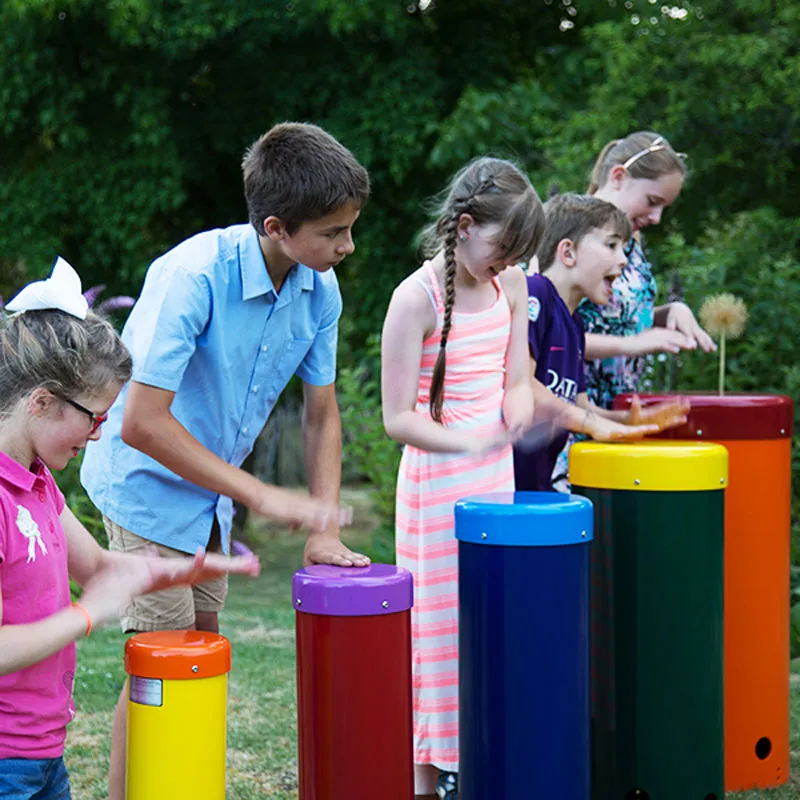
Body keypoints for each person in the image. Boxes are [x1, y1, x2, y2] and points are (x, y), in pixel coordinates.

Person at [79, 122, 370, 799]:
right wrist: (262, 495)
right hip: (143, 483)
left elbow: (323, 413)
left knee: (199, 650)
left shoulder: (318, 292)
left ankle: (178, 784)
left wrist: (322, 528)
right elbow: (144, 424)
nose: (347, 246)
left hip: (207, 495)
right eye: (333, 232)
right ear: (276, 226)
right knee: (165, 656)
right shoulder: (193, 277)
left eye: (349, 228)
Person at [0, 259, 260, 800]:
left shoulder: (37, 483)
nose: (99, 435)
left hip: (43, 752)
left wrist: (183, 569)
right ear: (41, 400)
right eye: (93, 417)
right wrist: (88, 613)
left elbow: (97, 566)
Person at [381, 157, 544, 799]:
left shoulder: (514, 286)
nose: (506, 264)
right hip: (435, 487)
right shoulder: (413, 298)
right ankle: (427, 780)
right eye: (502, 249)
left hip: (492, 476)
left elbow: (517, 378)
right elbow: (398, 418)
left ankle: (478, 764)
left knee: (488, 620)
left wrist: (517, 414)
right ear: (465, 225)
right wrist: (465, 439)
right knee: (436, 632)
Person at [551, 131, 715, 489]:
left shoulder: (631, 242)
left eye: (664, 208)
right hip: (568, 417)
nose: (656, 217)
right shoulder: (568, 230)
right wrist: (635, 343)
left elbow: (620, 319)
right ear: (618, 177)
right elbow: (549, 330)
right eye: (652, 200)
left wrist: (668, 312)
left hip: (615, 412)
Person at [513, 194, 690, 492]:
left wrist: (628, 421)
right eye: (611, 245)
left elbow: (580, 407)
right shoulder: (534, 293)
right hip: (502, 488)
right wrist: (588, 423)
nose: (623, 259)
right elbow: (524, 388)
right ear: (568, 252)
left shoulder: (574, 324)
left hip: (535, 490)